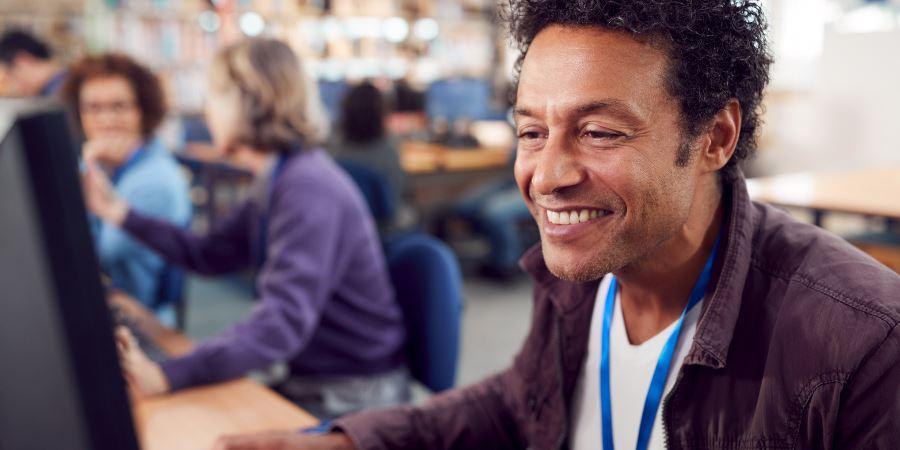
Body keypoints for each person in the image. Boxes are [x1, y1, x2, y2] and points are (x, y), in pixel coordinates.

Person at [213, 1, 900, 449]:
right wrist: (347, 442)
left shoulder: (865, 350)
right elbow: (519, 403)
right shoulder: (583, 270)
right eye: (532, 130)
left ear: (716, 137)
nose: (546, 176)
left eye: (599, 132)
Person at [82, 38, 408, 420]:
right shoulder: (279, 177)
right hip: (316, 377)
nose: (207, 111)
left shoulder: (307, 188)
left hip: (353, 394)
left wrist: (166, 374)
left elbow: (280, 326)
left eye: (214, 97)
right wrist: (118, 212)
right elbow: (207, 254)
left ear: (248, 100)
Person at [61, 53, 191, 315]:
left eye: (119, 106)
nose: (106, 120)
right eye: (94, 108)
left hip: (144, 323)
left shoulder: (156, 178)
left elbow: (95, 257)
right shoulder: (103, 164)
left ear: (143, 110)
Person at [329, 81, 407, 231]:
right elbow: (398, 193)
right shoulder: (388, 152)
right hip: (385, 230)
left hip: (346, 230)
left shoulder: (333, 153)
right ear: (381, 114)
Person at [0, 30, 67, 97]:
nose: (15, 87)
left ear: (22, 61)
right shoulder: (61, 83)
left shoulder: (59, 91)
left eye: (11, 77)